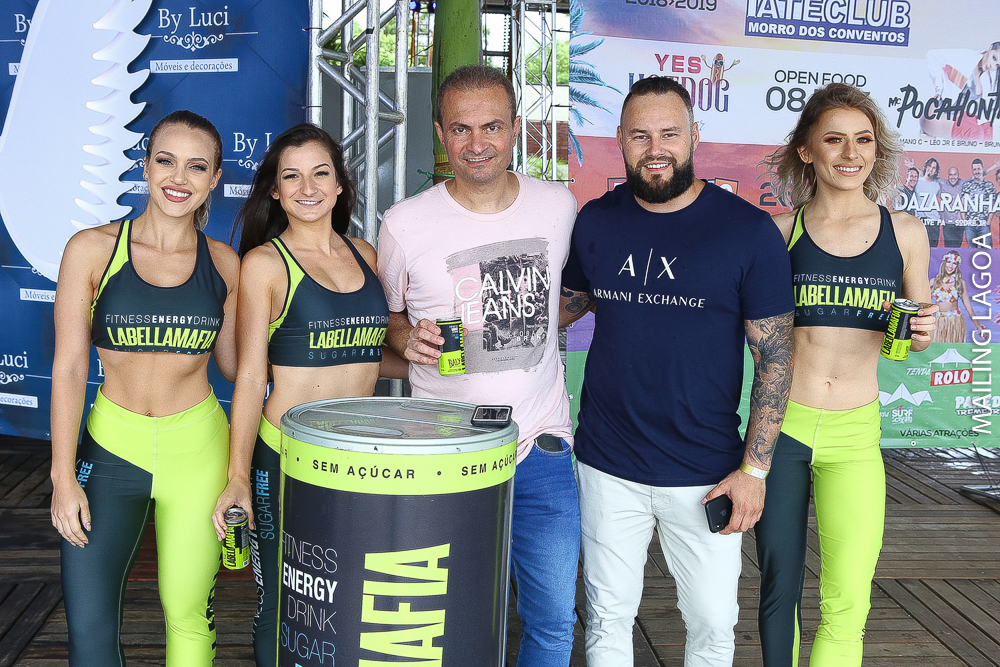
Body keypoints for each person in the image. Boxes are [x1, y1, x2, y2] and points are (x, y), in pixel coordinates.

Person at [558, 75, 795, 666]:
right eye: (640, 136)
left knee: (712, 626)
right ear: (620, 139)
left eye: (669, 133)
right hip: (607, 462)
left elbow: (775, 357)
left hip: (706, 470)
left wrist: (755, 470)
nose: (655, 148)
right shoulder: (596, 220)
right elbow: (563, 306)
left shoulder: (748, 231)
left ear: (695, 135)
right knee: (607, 618)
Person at [377, 64, 579, 666]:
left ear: (516, 127)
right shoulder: (404, 224)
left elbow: (569, 296)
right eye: (461, 129)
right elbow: (389, 319)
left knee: (553, 621)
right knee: (450, 620)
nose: (476, 144)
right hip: (446, 451)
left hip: (541, 445)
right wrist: (407, 337)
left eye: (491, 126)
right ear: (440, 133)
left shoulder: (558, 207)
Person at [756, 83, 937, 666]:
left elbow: (914, 335)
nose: (851, 153)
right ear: (806, 150)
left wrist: (923, 333)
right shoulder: (779, 232)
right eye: (834, 140)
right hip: (783, 429)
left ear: (876, 150)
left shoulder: (905, 233)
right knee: (779, 590)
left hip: (857, 434)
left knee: (848, 598)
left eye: (864, 140)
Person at [212, 123, 406, 667]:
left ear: (340, 184)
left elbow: (364, 352)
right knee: (283, 598)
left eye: (320, 173)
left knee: (349, 590)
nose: (308, 187)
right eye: (291, 177)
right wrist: (237, 475)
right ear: (275, 191)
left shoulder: (364, 254)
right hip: (286, 455)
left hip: (356, 453)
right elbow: (252, 377)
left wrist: (423, 359)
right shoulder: (265, 264)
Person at [50, 110, 239, 666]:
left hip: (199, 450)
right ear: (145, 166)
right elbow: (69, 368)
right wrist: (62, 477)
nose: (179, 178)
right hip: (111, 449)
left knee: (187, 615)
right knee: (89, 626)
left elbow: (237, 368)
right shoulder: (91, 249)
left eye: (196, 166)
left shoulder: (224, 263)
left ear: (215, 178)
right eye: (165, 161)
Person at [922, 43, 1000, 141]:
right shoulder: (966, 57)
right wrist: (939, 88)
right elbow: (932, 55)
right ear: (990, 48)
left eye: (997, 65)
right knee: (975, 133)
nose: (992, 66)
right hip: (939, 113)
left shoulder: (986, 77)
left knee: (987, 130)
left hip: (957, 116)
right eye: (994, 58)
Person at [930, 251, 986, 343]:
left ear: (957, 266)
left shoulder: (959, 283)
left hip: (955, 322)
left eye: (954, 263)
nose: (950, 266)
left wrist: (979, 327)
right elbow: (926, 305)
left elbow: (969, 309)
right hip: (939, 322)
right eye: (949, 262)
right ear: (944, 263)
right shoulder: (934, 282)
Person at [959, 158, 997, 247]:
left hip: (984, 225)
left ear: (983, 169)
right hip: (970, 225)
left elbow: (992, 206)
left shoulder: (989, 185)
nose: (977, 171)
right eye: (975, 169)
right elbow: (962, 205)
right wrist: (965, 221)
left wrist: (988, 222)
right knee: (971, 250)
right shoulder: (967, 185)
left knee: (987, 250)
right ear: (972, 171)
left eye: (979, 169)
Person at [913, 158, 942, 247]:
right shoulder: (917, 182)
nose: (931, 169)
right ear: (926, 167)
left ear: (936, 171)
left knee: (933, 248)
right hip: (920, 221)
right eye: (929, 166)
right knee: (919, 247)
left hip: (933, 221)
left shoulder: (937, 185)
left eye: (934, 168)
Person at [939, 165, 966, 248]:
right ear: (947, 176)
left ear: (958, 175)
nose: (953, 177)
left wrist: (994, 166)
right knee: (948, 248)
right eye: (950, 175)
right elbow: (928, 174)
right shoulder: (942, 183)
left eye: (955, 174)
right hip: (947, 223)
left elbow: (979, 174)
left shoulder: (963, 182)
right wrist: (913, 166)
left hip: (959, 223)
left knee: (958, 249)